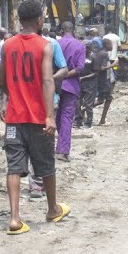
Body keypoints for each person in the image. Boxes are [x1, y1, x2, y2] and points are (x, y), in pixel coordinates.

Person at [0, 0, 70, 234]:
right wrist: (50, 116)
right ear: (40, 20)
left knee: (13, 167)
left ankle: (14, 219)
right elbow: (49, 80)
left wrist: (11, 99)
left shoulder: (7, 45)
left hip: (14, 119)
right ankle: (52, 209)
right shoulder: (45, 45)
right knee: (46, 165)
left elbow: (2, 81)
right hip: (39, 119)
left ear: (20, 20)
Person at [55, 22, 87, 161]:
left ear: (62, 31)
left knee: (55, 116)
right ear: (72, 30)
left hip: (55, 84)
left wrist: (58, 76)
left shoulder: (56, 44)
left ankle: (57, 147)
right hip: (71, 86)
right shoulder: (80, 45)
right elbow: (79, 68)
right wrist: (66, 75)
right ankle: (62, 151)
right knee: (67, 117)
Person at [96, 38, 116, 125]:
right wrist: (113, 65)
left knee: (107, 98)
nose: (112, 46)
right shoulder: (104, 54)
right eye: (110, 44)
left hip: (102, 80)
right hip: (104, 80)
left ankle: (102, 120)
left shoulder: (99, 53)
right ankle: (83, 109)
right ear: (106, 45)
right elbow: (102, 68)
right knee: (103, 100)